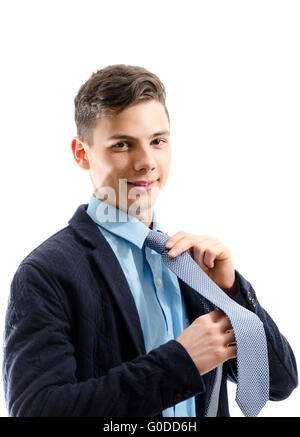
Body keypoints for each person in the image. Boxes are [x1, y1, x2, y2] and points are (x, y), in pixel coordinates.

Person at [3, 64, 297, 417]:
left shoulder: (191, 263)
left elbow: (277, 383)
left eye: (158, 141)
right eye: (123, 144)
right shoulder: (46, 273)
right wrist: (180, 362)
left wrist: (232, 294)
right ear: (82, 154)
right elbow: (37, 411)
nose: (146, 162)